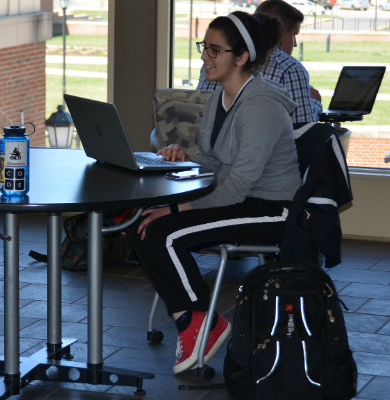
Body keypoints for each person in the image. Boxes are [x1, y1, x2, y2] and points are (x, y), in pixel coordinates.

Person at [126, 11, 301, 374]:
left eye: (214, 50)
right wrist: (183, 156)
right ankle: (189, 320)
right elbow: (211, 158)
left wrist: (178, 210)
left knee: (164, 232)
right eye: (204, 47)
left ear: (241, 57)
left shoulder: (261, 106)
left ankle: (203, 321)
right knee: (139, 223)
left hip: (272, 210)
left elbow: (239, 184)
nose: (205, 57)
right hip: (241, 200)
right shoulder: (221, 96)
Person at [198, 0, 322, 123]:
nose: (294, 43)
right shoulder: (289, 68)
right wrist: (315, 103)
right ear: (282, 34)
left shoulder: (212, 63)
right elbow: (303, 127)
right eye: (294, 35)